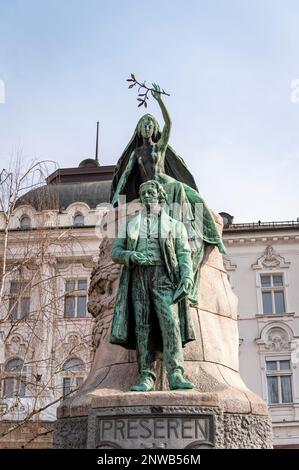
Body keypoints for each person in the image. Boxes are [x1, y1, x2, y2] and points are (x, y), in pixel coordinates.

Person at [110, 84, 226, 305]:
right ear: (138, 129)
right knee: (182, 191)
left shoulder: (158, 147)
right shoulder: (137, 152)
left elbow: (170, 124)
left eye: (150, 123)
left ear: (154, 129)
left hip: (165, 182)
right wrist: (117, 195)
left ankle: (212, 237)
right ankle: (184, 225)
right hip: (151, 186)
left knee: (195, 197)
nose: (147, 126)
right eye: (144, 123)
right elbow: (125, 175)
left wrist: (159, 100)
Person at [110, 180, 195, 391]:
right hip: (139, 276)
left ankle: (175, 373)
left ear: (160, 196)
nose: (147, 196)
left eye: (151, 192)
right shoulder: (130, 225)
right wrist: (130, 255)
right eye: (144, 193)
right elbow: (115, 252)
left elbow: (185, 254)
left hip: (164, 276)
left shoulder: (175, 226)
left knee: (171, 324)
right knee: (142, 326)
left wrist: (187, 277)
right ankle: (146, 375)